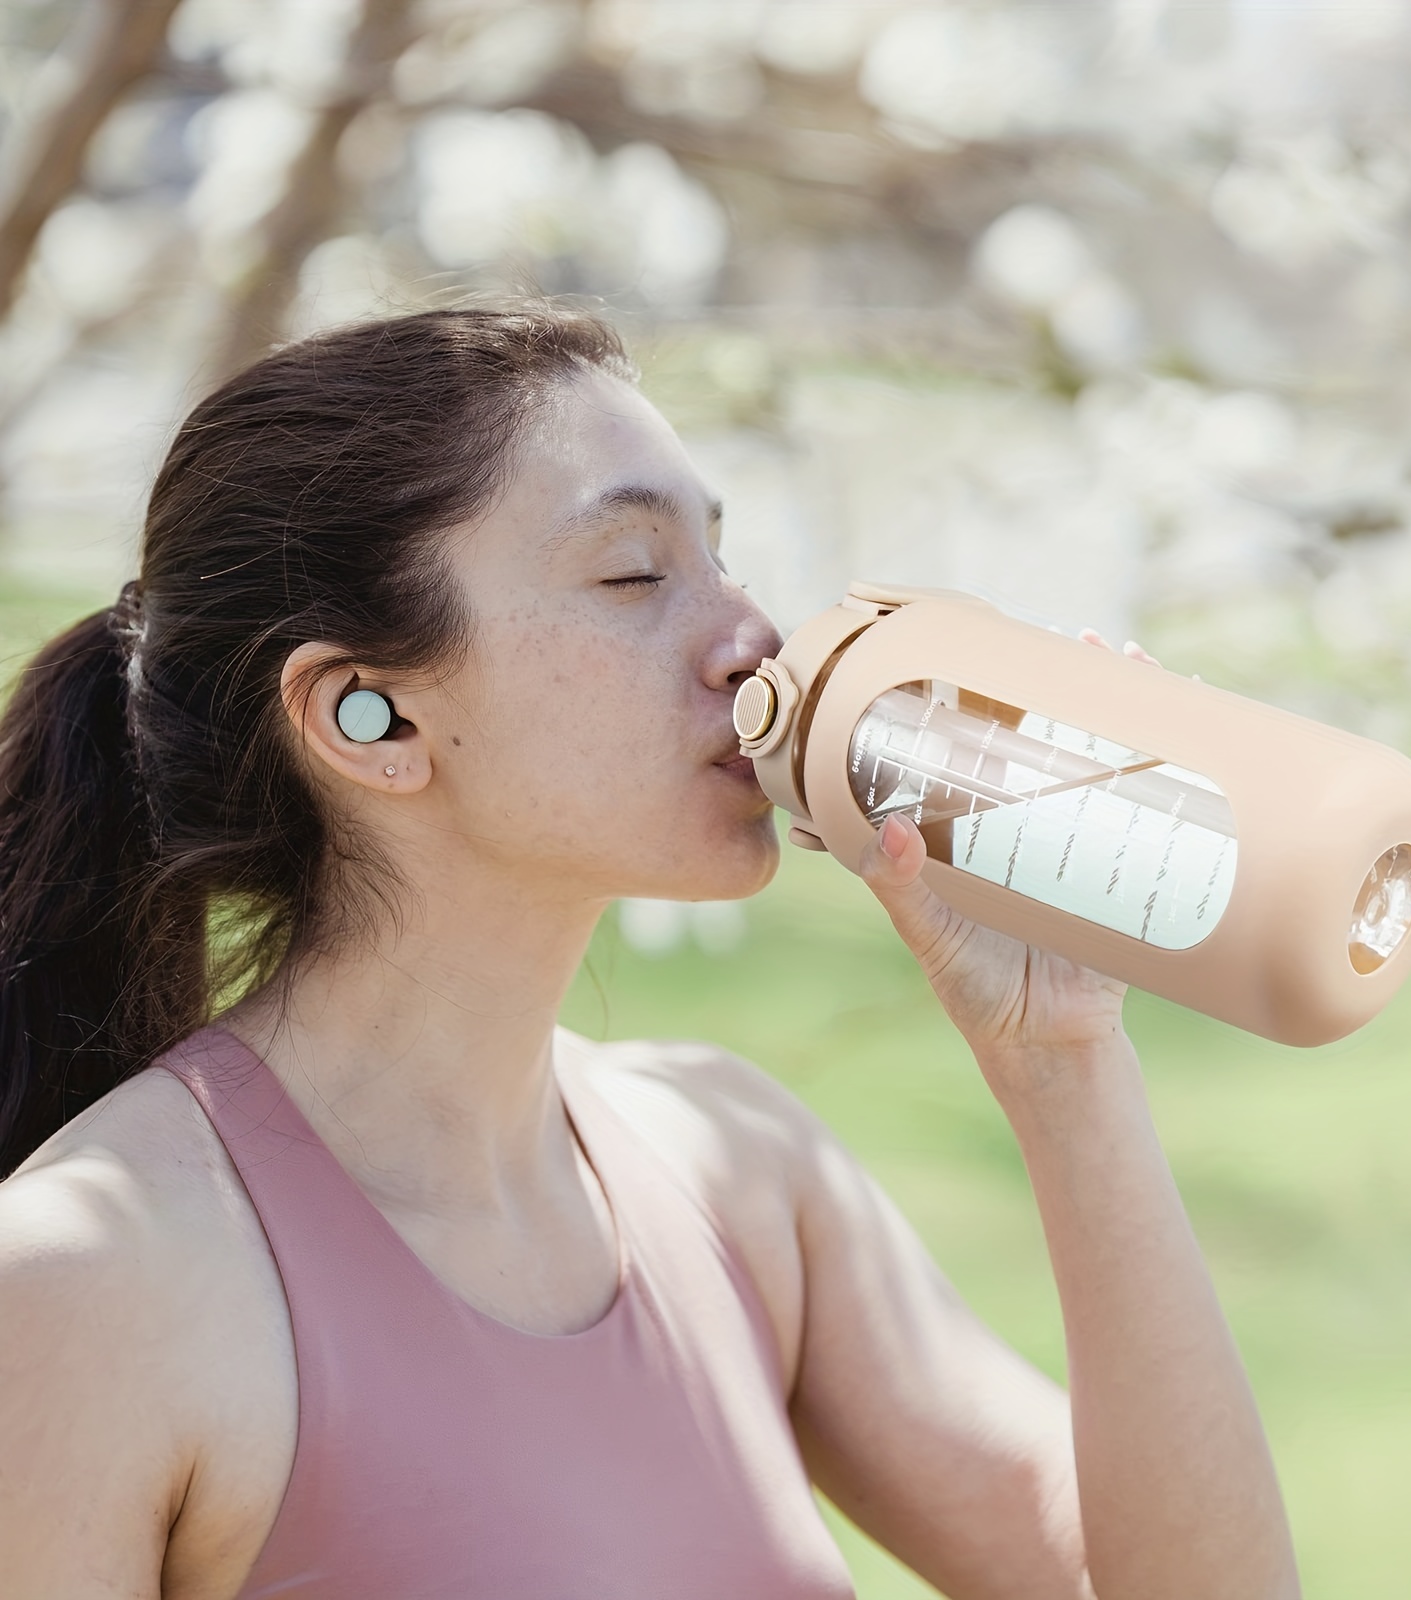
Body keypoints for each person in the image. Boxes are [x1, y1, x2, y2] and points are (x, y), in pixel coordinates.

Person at [0, 305, 1299, 1600]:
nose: (753, 640)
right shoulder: (94, 1282)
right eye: (635, 573)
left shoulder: (736, 1170)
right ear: (370, 715)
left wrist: (1063, 1058)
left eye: (724, 558)